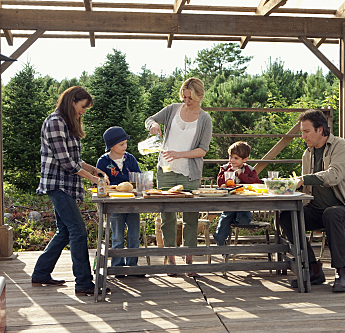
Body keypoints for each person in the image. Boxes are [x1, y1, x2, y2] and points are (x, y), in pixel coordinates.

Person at [32, 86, 110, 296]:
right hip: (57, 184)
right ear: (72, 101)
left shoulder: (67, 122)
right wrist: (93, 179)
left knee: (65, 231)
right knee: (78, 231)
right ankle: (84, 283)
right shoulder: (55, 121)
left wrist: (95, 170)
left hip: (66, 184)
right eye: (83, 106)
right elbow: (66, 162)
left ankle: (40, 273)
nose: (84, 111)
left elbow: (75, 160)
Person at [279, 110, 345, 292]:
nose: (303, 136)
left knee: (332, 214)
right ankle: (313, 268)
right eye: (302, 132)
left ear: (320, 130)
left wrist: (304, 179)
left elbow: (335, 176)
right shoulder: (307, 154)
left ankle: (342, 273)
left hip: (343, 208)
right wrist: (290, 186)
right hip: (316, 209)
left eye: (306, 131)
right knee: (286, 217)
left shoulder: (341, 146)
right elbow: (306, 185)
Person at [145, 77, 212, 276]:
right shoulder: (173, 109)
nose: (186, 100)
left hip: (190, 173)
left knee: (191, 216)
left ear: (200, 96)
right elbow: (150, 119)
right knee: (167, 216)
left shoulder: (205, 119)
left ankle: (189, 260)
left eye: (190, 97)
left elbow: (202, 150)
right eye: (184, 96)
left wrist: (180, 154)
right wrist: (153, 126)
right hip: (165, 170)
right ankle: (171, 258)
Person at [96, 126, 143, 277]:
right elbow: (100, 184)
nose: (125, 147)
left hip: (133, 203)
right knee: (117, 236)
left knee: (134, 235)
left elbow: (138, 178)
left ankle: (132, 265)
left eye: (125, 144)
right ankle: (117, 267)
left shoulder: (130, 159)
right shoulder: (103, 162)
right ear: (111, 146)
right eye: (121, 144)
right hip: (114, 204)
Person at [213, 141, 260, 248]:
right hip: (229, 204)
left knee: (244, 220)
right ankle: (222, 248)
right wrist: (229, 173)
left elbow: (256, 183)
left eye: (236, 158)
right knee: (219, 235)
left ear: (245, 159)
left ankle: (235, 219)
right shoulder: (225, 168)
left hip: (244, 204)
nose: (232, 160)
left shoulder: (250, 170)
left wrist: (241, 175)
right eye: (231, 157)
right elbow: (220, 184)